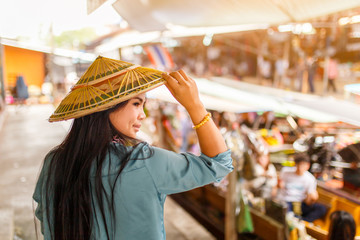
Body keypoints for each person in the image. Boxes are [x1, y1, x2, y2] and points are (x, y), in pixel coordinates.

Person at [33, 56, 233, 240]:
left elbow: (47, 224)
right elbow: (217, 164)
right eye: (136, 104)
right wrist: (195, 105)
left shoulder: (54, 162)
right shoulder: (143, 161)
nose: (143, 115)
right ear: (108, 106)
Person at [278, 152, 327, 222]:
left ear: (308, 165)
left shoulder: (310, 179)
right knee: (287, 210)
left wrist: (312, 198)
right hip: (287, 201)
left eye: (303, 165)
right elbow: (278, 185)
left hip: (300, 203)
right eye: (298, 164)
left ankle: (303, 221)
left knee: (321, 208)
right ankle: (295, 219)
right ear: (295, 164)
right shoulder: (286, 172)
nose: (300, 167)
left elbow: (308, 201)